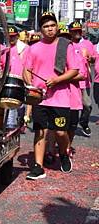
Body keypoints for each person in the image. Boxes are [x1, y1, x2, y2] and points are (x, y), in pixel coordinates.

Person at [23, 12, 78, 180]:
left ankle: (63, 154)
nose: (49, 29)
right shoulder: (33, 48)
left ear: (57, 27)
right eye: (46, 26)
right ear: (41, 29)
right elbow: (27, 70)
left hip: (61, 97)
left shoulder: (65, 45)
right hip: (41, 98)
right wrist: (30, 84)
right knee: (40, 131)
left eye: (52, 25)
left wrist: (57, 80)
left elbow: (74, 70)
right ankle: (38, 167)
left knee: (61, 132)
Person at [69, 21, 97, 136]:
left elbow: (94, 58)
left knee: (88, 105)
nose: (77, 33)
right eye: (74, 31)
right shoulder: (67, 44)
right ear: (70, 32)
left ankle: (84, 122)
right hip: (70, 82)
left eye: (79, 31)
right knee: (71, 107)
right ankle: (70, 126)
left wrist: (91, 59)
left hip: (84, 82)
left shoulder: (88, 44)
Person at [5, 25, 28, 129]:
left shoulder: (25, 49)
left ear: (17, 36)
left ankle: (21, 122)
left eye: (13, 36)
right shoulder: (5, 48)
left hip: (21, 81)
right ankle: (10, 127)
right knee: (10, 106)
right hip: (8, 81)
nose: (11, 39)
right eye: (9, 36)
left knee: (21, 107)